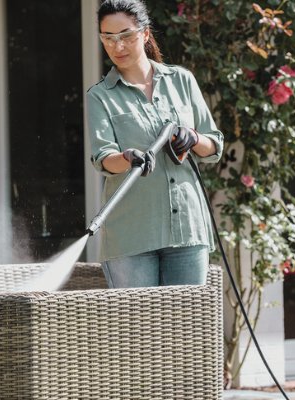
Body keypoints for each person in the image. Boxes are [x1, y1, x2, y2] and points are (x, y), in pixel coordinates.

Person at [86, 0, 224, 288]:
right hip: (130, 235)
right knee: (137, 331)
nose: (117, 46)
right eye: (108, 38)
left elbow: (213, 145)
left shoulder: (182, 81)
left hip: (187, 229)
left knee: (186, 328)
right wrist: (126, 157)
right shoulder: (100, 96)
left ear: (145, 34)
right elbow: (103, 157)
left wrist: (194, 138)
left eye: (125, 36)